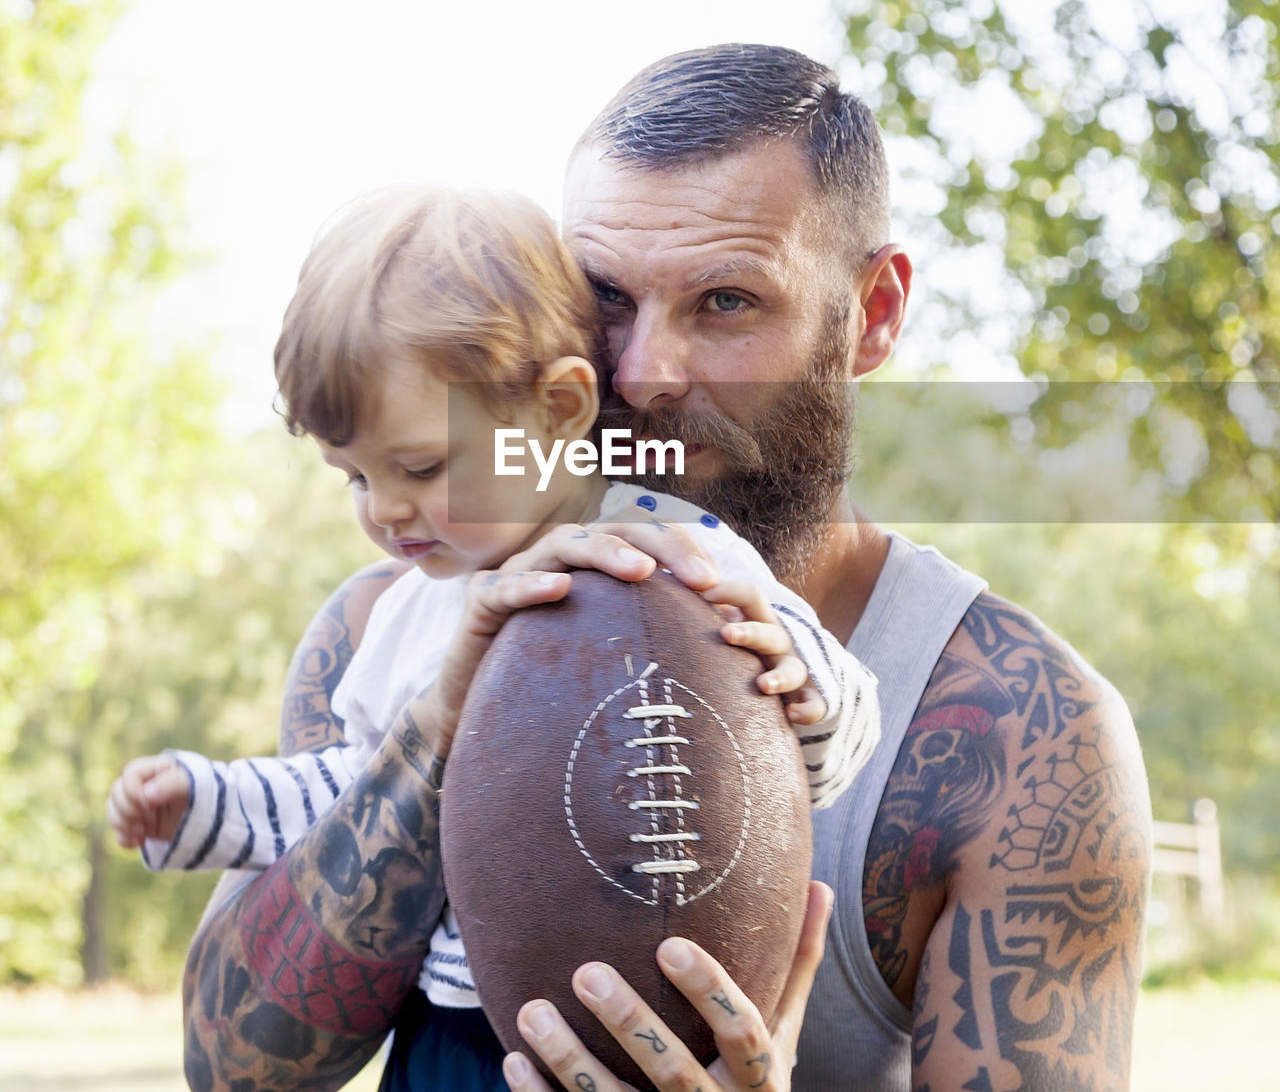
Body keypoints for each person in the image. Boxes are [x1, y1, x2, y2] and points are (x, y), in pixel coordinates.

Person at [176, 45, 1153, 1092]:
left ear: (870, 314)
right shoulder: (387, 626)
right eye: (606, 294)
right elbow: (235, 1065)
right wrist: (433, 729)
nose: (642, 373)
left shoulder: (1018, 729)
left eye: (725, 301)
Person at [107, 182, 879, 1036]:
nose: (385, 511)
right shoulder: (416, 608)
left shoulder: (675, 554)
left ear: (556, 410)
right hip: (454, 1026)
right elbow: (357, 791)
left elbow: (811, 762)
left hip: (644, 1009)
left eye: (422, 467)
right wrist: (207, 802)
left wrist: (800, 674)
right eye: (357, 478)